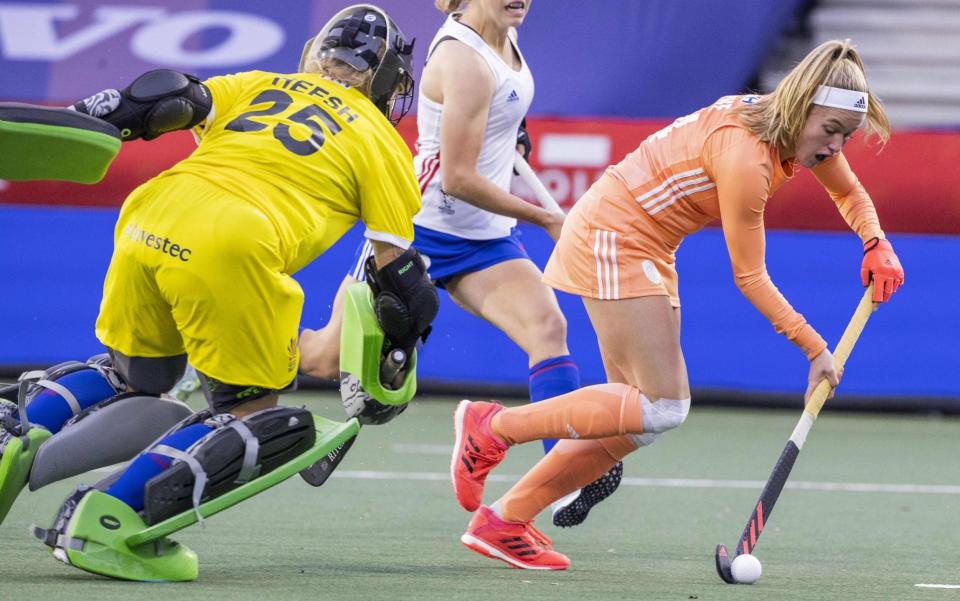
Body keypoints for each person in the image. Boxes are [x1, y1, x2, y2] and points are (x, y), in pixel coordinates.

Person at [2, 4, 438, 576]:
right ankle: (108, 524)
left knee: (137, 377)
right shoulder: (382, 140)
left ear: (314, 55)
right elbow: (395, 277)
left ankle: (16, 433)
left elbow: (168, 96)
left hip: (149, 213)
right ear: (383, 80)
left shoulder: (258, 83)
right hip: (236, 237)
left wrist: (100, 114)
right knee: (250, 412)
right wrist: (400, 351)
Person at [449, 39, 905, 570]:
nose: (834, 148)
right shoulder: (748, 159)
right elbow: (750, 277)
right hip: (615, 236)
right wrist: (814, 347)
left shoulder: (787, 128)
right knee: (662, 405)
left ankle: (503, 521)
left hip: (645, 242)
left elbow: (848, 194)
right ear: (803, 106)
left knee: (636, 417)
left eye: (845, 137)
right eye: (831, 131)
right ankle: (494, 427)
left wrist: (875, 240)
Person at [298, 0, 624, 530]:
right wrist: (546, 218)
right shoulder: (465, 59)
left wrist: (509, 133)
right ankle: (221, 360)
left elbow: (491, 118)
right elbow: (458, 177)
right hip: (417, 232)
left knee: (548, 327)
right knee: (322, 359)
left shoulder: (505, 37)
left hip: (483, 239)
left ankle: (563, 472)